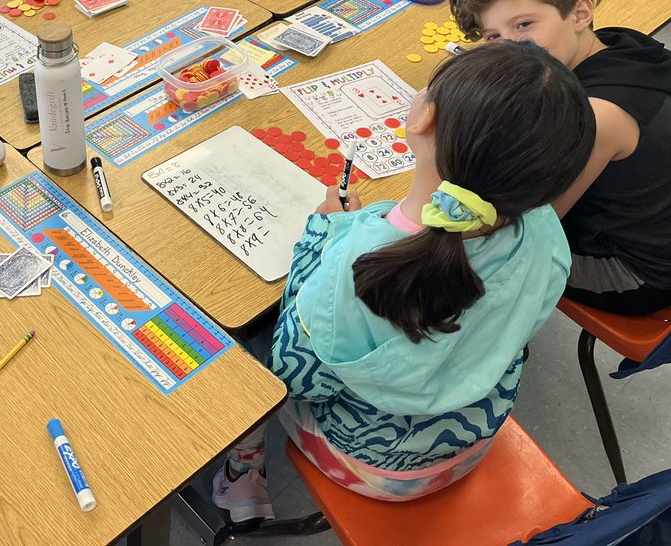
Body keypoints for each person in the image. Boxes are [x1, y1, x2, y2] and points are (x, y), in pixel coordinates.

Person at [213, 43, 594, 520]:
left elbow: (297, 377)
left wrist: (320, 236)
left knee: (239, 345)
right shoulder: (545, 229)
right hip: (470, 441)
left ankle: (242, 478)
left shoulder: (363, 261)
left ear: (423, 118)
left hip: (373, 467)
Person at [450, 0, 671, 315]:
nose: (510, 48)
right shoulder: (618, 43)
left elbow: (527, 229)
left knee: (475, 260)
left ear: (580, 13)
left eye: (524, 24)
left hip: (636, 274)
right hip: (650, 224)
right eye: (493, 37)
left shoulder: (595, 117)